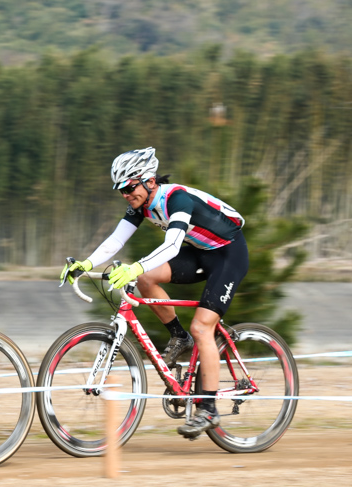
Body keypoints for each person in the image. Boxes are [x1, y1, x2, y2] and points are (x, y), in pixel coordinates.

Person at [60, 147, 248, 439]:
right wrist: (86, 264)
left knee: (202, 327)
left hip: (228, 255)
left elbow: (172, 246)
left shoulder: (177, 199)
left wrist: (133, 268)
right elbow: (115, 240)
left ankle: (209, 409)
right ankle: (178, 336)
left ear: (148, 180)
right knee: (147, 278)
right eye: (120, 189)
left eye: (129, 186)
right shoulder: (141, 204)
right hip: (200, 253)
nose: (125, 193)